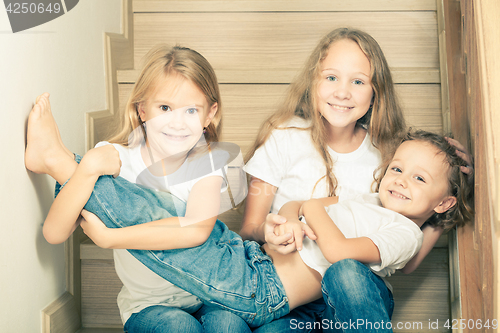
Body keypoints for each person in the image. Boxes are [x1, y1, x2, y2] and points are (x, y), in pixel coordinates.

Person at [29, 113, 473, 330]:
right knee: (174, 216)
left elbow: (338, 256)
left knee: (181, 243)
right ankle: (70, 167)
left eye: (419, 179)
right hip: (254, 262)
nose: (399, 180)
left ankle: (63, 165)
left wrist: (313, 210)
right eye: (397, 167)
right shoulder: (365, 200)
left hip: (262, 292)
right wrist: (289, 223)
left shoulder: (402, 233)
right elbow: (299, 206)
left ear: (442, 202)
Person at [240, 27, 473, 332]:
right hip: (292, 292)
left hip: (358, 292)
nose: (342, 92)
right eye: (332, 77)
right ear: (314, 81)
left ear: (376, 92)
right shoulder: (284, 136)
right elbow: (249, 228)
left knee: (346, 273)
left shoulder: (390, 155)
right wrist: (275, 230)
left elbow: (404, 255)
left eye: (358, 81)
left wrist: (450, 187)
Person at [25, 46, 250, 333]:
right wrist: (89, 167)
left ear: (209, 115)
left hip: (205, 293)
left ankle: (55, 159)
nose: (177, 123)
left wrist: (109, 238)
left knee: (229, 324)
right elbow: (54, 233)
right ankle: (53, 159)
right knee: (178, 327)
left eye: (191, 110)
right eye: (165, 108)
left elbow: (196, 230)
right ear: (142, 109)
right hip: (146, 306)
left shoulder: (207, 165)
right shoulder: (115, 158)